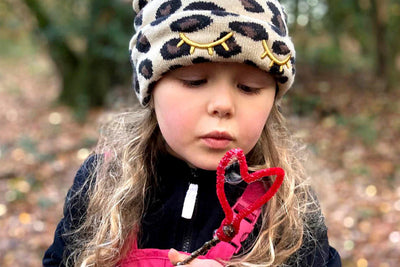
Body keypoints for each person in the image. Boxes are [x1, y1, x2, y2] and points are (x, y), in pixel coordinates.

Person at [43, 0, 342, 266]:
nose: (223, 105)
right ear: (151, 90)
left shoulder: (289, 209)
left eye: (249, 87)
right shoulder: (100, 184)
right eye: (194, 81)